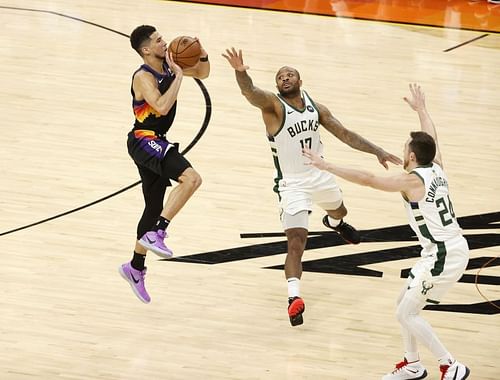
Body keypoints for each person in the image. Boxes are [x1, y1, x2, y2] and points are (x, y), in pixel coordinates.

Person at [222, 47, 402, 326]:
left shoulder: (315, 107)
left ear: (300, 81)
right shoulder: (273, 105)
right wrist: (240, 72)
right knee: (296, 242)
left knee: (341, 210)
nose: (285, 77)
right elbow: (250, 93)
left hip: (320, 175)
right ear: (278, 85)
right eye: (280, 76)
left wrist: (376, 150)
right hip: (292, 184)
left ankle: (335, 223)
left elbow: (345, 134)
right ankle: (294, 298)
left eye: (290, 74)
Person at [303, 84, 470, 380]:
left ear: (413, 157)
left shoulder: (412, 181)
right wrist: (422, 111)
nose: (403, 151)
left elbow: (368, 179)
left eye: (406, 149)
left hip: (444, 254)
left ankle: (450, 365)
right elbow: (432, 137)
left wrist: (325, 165)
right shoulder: (437, 167)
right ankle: (413, 364)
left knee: (406, 313)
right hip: (444, 249)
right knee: (402, 304)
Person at [119, 25, 210, 303]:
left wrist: (200, 51)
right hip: (144, 139)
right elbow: (160, 107)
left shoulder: (169, 66)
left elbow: (204, 72)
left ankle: (134, 267)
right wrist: (180, 76)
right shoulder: (143, 76)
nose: (165, 41)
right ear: (146, 49)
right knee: (192, 178)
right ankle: (159, 231)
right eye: (159, 40)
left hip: (154, 139)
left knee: (154, 205)